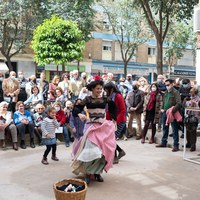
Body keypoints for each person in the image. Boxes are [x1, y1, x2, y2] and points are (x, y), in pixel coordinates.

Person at [71, 75, 116, 184]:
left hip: (102, 127)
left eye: (101, 88)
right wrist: (79, 114)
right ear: (92, 89)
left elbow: (113, 107)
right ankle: (87, 173)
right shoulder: (87, 99)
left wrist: (114, 119)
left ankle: (97, 173)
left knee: (102, 151)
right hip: (90, 127)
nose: (100, 90)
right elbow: (76, 109)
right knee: (89, 150)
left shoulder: (105, 99)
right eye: (97, 88)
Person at [156, 79, 182, 152]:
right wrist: (162, 108)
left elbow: (179, 103)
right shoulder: (166, 92)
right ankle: (163, 142)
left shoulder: (175, 92)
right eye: (166, 85)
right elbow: (164, 101)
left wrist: (172, 110)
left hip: (172, 113)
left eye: (168, 85)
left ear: (172, 84)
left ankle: (175, 145)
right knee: (165, 127)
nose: (167, 86)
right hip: (165, 112)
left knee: (174, 129)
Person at [104, 82, 126, 164]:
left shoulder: (118, 96)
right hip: (111, 121)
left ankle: (115, 157)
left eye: (107, 89)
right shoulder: (108, 96)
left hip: (119, 120)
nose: (105, 91)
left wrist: (116, 120)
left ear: (112, 89)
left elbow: (123, 110)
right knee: (110, 139)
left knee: (112, 139)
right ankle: (120, 151)